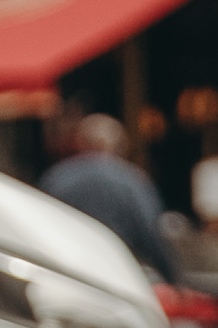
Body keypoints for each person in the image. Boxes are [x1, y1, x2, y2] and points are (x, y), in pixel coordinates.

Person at [41, 114, 169, 275]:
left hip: (69, 273)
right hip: (120, 274)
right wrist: (171, 277)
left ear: (81, 143)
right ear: (117, 145)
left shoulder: (56, 178)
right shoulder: (132, 181)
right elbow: (152, 235)